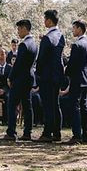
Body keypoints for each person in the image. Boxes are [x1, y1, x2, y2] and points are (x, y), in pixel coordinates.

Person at [0, 19, 38, 141]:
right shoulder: (34, 44)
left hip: (20, 79)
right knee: (27, 106)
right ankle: (28, 132)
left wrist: (10, 77)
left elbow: (18, 64)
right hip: (29, 78)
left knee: (12, 105)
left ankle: (11, 132)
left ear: (24, 28)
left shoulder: (23, 45)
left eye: (19, 29)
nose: (18, 32)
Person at [34, 9, 66, 142]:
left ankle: (47, 133)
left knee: (48, 105)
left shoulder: (47, 38)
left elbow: (41, 59)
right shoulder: (61, 35)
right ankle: (57, 132)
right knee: (55, 104)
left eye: (45, 19)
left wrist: (38, 73)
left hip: (47, 76)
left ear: (49, 20)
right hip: (58, 75)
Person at [62, 20, 87, 144]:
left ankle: (76, 135)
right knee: (84, 106)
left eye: (74, 28)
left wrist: (66, 72)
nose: (73, 30)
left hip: (77, 79)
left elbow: (72, 64)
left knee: (75, 106)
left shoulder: (77, 44)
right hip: (86, 78)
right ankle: (86, 134)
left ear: (80, 29)